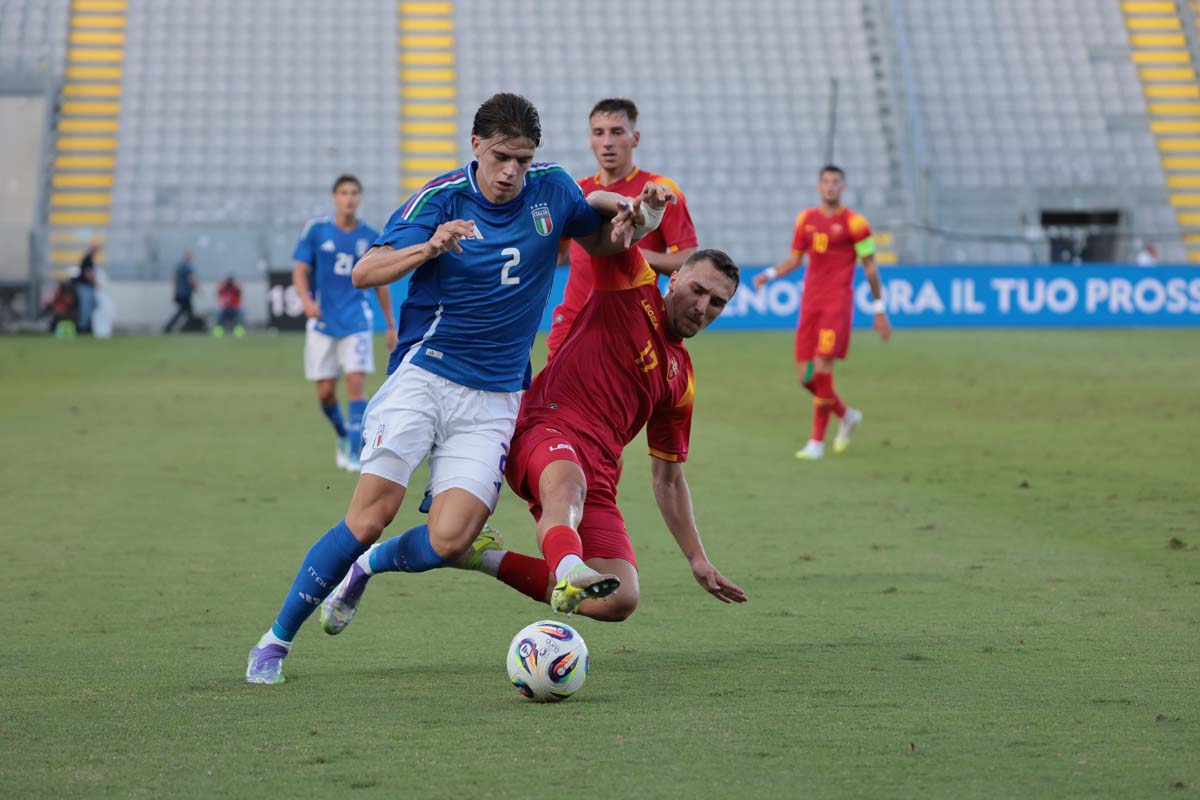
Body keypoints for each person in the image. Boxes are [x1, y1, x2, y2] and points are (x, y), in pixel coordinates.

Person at [246, 92, 652, 684]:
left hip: (494, 400)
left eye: (521, 159)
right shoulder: (440, 198)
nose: (510, 171)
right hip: (425, 378)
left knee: (450, 539)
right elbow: (365, 271)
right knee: (371, 515)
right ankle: (275, 642)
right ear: (476, 146)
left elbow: (601, 238)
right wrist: (429, 246)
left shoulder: (553, 189)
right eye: (500, 157)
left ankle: (365, 569)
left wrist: (633, 217)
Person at [321, 247, 747, 628]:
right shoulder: (632, 285)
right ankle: (569, 568)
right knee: (567, 486)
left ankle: (459, 558)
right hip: (544, 427)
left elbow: (668, 479)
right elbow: (604, 230)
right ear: (674, 279)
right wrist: (637, 214)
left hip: (598, 475)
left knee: (619, 599)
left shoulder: (681, 378)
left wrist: (697, 558)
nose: (702, 307)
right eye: (697, 290)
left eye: (717, 302)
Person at [545, 97, 699, 362]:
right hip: (573, 322)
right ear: (590, 139)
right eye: (599, 132)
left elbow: (688, 260)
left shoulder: (658, 192)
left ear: (635, 138)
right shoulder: (575, 191)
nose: (607, 142)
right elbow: (556, 252)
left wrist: (636, 256)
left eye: (617, 132)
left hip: (630, 325)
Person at [754, 164, 891, 461]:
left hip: (836, 305)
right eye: (826, 181)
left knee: (823, 369)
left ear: (843, 186)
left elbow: (870, 267)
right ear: (819, 185)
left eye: (835, 182)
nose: (830, 186)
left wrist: (879, 309)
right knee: (806, 377)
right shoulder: (806, 219)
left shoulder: (856, 223)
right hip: (810, 304)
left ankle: (816, 442)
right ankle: (846, 415)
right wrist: (770, 274)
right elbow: (795, 259)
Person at [292, 175, 397, 473]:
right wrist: (306, 301)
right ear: (334, 197)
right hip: (322, 322)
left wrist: (390, 325)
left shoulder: (370, 236)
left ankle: (355, 451)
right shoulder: (316, 230)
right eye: (343, 193)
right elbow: (299, 270)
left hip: (356, 321)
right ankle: (341, 433)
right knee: (325, 392)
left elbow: (381, 284)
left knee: (355, 383)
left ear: (359, 198)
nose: (349, 198)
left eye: (354, 193)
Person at [163, 251, 199, 333]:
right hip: (185, 293)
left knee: (186, 311)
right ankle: (190, 327)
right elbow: (191, 278)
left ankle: (189, 327)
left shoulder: (179, 266)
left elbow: (175, 279)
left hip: (179, 292)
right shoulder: (187, 266)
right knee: (185, 311)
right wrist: (196, 288)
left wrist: (175, 291)